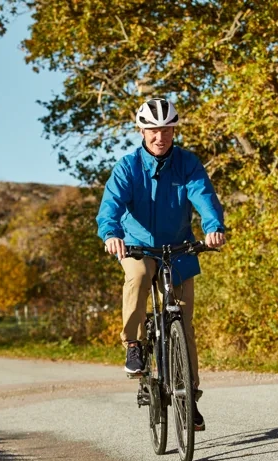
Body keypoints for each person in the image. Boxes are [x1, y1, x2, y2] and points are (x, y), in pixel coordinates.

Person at [96, 97, 225, 431]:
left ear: (173, 130)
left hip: (179, 246)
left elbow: (203, 196)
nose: (159, 137)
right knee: (137, 278)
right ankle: (134, 345)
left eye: (166, 129)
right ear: (141, 130)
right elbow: (111, 204)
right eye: (153, 130)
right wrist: (111, 233)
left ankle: (189, 397)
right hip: (137, 246)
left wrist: (213, 227)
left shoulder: (187, 163)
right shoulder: (128, 166)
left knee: (184, 320)